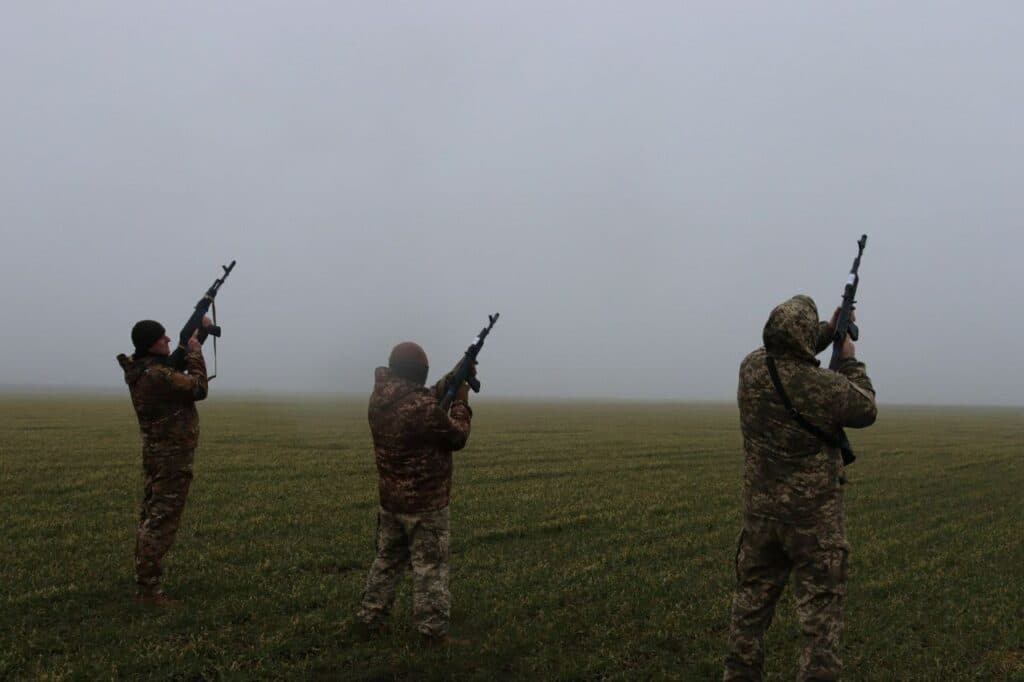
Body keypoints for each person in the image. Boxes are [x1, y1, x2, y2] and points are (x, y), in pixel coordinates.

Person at [724, 295, 877, 681]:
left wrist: (829, 329)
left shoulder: (751, 369)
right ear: (804, 336)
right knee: (820, 625)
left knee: (748, 613)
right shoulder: (823, 387)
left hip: (761, 520)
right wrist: (849, 357)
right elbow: (866, 408)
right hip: (814, 526)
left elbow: (791, 347)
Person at [356, 341, 473, 645]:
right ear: (419, 372)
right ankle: (432, 633)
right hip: (425, 504)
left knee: (386, 562)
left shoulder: (380, 398)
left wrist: (455, 375)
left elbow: (425, 398)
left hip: (391, 501)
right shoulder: (421, 408)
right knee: (430, 569)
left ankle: (370, 619)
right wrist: (461, 400)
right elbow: (457, 436)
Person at [116, 318, 209, 605]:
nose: (168, 339)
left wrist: (200, 334)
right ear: (150, 344)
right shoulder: (157, 376)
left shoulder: (147, 371)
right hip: (171, 459)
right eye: (161, 337)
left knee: (152, 518)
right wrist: (195, 353)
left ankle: (146, 583)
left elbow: (174, 370)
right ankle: (148, 590)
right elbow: (198, 388)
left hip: (159, 455)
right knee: (159, 522)